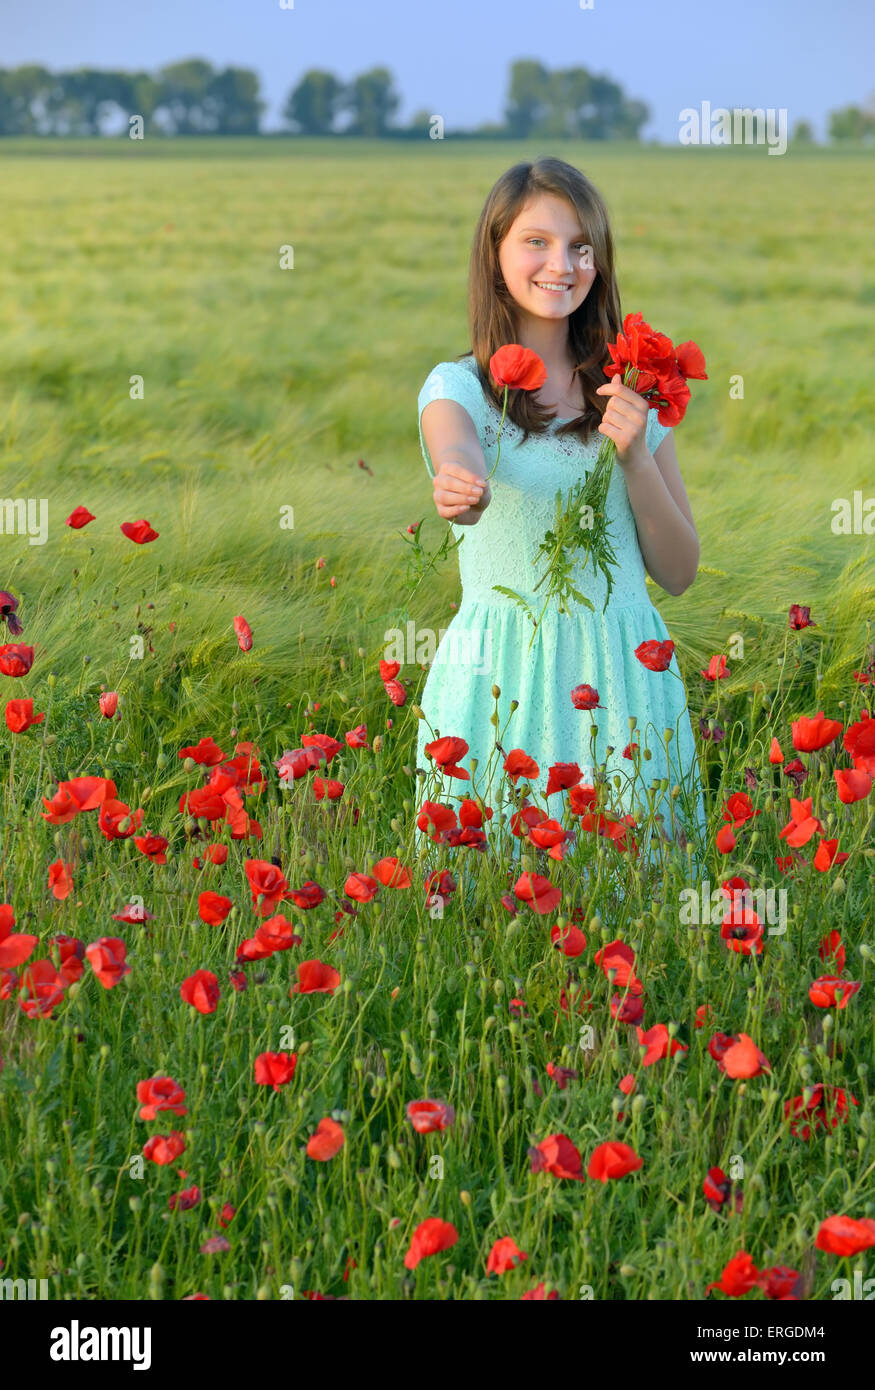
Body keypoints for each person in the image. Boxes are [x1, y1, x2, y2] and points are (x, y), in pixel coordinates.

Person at [413, 157, 707, 885]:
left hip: (625, 673)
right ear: (496, 253)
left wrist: (636, 453)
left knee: (633, 911)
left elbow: (677, 572)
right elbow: (456, 450)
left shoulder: (633, 392)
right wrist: (463, 486)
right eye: (536, 242)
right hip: (499, 675)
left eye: (580, 246)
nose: (561, 264)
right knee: (492, 919)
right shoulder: (459, 388)